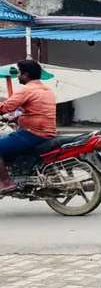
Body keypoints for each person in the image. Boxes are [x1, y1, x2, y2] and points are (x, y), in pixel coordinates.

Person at [0, 60, 57, 192]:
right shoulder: (47, 89)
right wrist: (17, 117)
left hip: (33, 133)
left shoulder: (27, 89)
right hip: (46, 132)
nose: (18, 77)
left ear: (26, 75)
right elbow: (36, 110)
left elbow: (6, 107)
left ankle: (5, 182)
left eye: (20, 73)